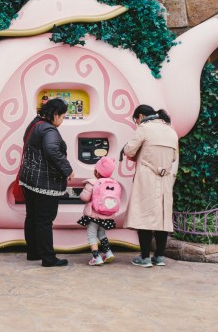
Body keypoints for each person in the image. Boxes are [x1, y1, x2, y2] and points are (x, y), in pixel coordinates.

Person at [19, 98, 74, 267]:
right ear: (56, 115)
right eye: (63, 117)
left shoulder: (35, 123)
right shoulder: (50, 130)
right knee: (44, 221)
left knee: (33, 217)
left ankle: (33, 252)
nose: (62, 121)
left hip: (29, 179)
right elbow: (52, 150)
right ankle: (48, 258)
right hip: (45, 183)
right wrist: (67, 169)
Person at [123, 105, 179, 268]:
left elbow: (129, 151)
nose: (137, 123)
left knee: (144, 215)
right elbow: (174, 157)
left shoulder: (144, 128)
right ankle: (159, 257)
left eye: (136, 120)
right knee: (162, 217)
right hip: (165, 177)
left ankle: (145, 257)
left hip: (147, 176)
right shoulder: (171, 131)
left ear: (140, 116)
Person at [77, 156, 117, 266]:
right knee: (102, 233)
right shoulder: (112, 183)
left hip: (93, 216)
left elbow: (85, 198)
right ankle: (108, 253)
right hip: (106, 216)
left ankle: (96, 257)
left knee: (92, 235)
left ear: (96, 171)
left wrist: (81, 193)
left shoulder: (92, 183)